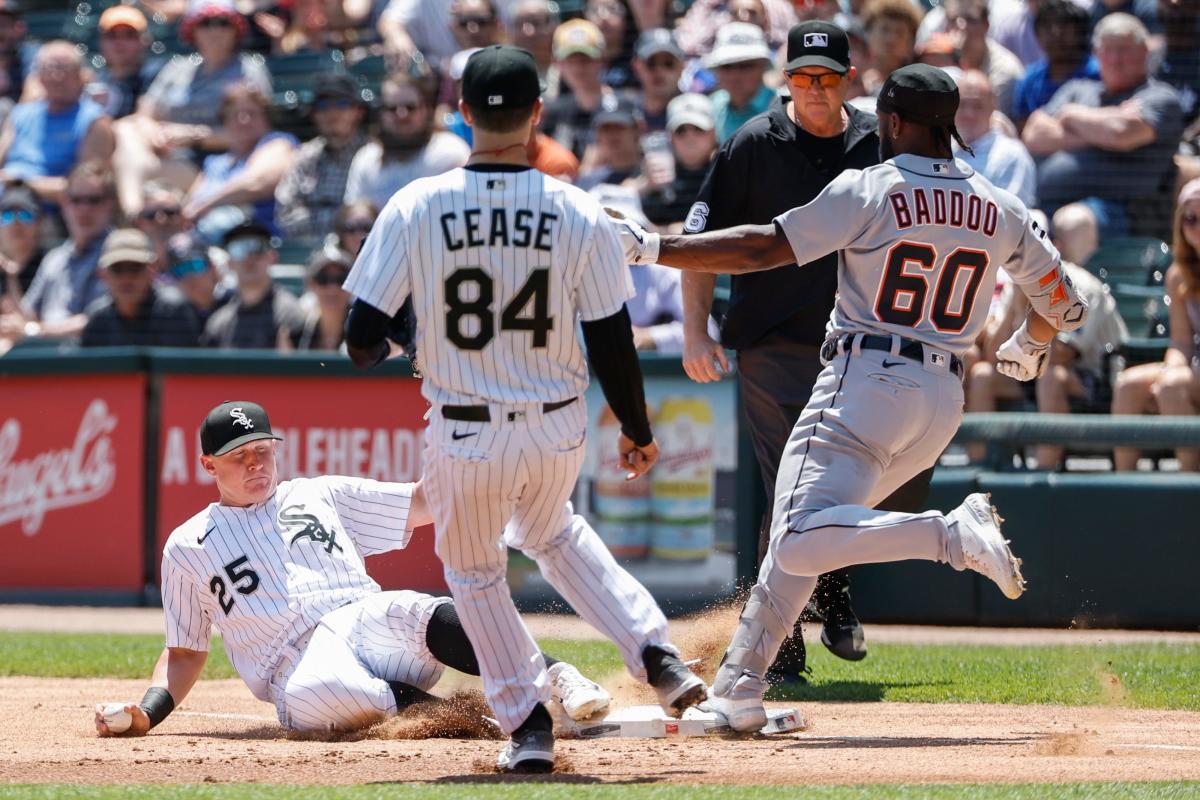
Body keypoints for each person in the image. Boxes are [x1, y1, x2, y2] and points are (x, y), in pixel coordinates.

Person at [611, 63, 1088, 731]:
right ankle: (740, 687)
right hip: (938, 401)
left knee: (803, 534)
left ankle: (950, 535)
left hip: (867, 380)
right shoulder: (998, 201)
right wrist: (1030, 343)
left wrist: (658, 246)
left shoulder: (873, 185)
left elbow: (762, 248)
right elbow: (1067, 305)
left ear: (892, 121)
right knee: (803, 536)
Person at [341, 45, 706, 772]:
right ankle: (657, 653)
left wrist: (415, 335)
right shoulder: (578, 209)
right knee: (553, 530)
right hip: (557, 422)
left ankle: (528, 725)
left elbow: (358, 340)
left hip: (466, 428)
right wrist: (636, 429)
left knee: (474, 573)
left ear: (464, 113)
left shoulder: (417, 203)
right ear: (537, 115)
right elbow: (612, 340)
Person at [94, 400, 612, 738]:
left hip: (364, 618)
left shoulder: (318, 493)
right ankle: (486, 720)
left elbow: (419, 503)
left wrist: (483, 466)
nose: (255, 463)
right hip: (292, 664)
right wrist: (149, 711)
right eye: (238, 456)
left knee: (413, 608)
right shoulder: (187, 545)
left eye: (262, 450)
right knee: (315, 699)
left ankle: (559, 679)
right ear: (208, 464)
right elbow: (185, 650)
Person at [681, 22, 919, 682]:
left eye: (828, 77)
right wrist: (695, 332)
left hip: (862, 344)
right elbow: (699, 244)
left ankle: (832, 595)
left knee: (844, 481)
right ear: (785, 80)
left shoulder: (878, 142)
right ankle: (786, 646)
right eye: (802, 77)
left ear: (850, 79)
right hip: (775, 344)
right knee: (791, 488)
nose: (815, 90)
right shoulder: (752, 144)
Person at [1022, 13, 1183, 239]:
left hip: (1122, 212)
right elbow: (1033, 134)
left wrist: (1070, 115)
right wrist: (1100, 130)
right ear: (1096, 54)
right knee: (1017, 220)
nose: (1115, 59)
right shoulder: (1077, 89)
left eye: (1124, 49)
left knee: (1072, 222)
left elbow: (1122, 133)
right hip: (1044, 202)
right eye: (1108, 50)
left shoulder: (1160, 97)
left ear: (1144, 52)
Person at [112, 0, 273, 217]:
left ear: (235, 29)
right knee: (125, 129)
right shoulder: (177, 68)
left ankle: (134, 215)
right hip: (169, 157)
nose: (214, 30)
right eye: (206, 23)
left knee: (132, 159)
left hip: (218, 167)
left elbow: (254, 130)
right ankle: (135, 212)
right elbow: (144, 114)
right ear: (193, 30)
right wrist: (153, 131)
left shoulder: (249, 69)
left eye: (222, 23)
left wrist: (193, 136)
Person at [1111, 178, 1200, 471]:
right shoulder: (1178, 274)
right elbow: (1182, 343)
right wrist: (1174, 368)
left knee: (1171, 387)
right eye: (1190, 218)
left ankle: (1189, 490)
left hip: (1193, 374)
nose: (1196, 225)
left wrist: (1174, 378)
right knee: (1128, 384)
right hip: (1194, 368)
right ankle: (1124, 491)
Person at [0, 161, 116, 344]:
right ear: (64, 203)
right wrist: (9, 276)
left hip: (92, 361)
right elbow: (28, 317)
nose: (84, 209)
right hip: (49, 360)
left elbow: (99, 320)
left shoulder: (118, 253)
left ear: (110, 204)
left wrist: (34, 331)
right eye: (76, 200)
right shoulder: (55, 258)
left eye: (94, 200)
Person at [0, 40, 115, 206]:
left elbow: (87, 189)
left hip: (46, 211)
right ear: (38, 76)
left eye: (64, 68)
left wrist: (24, 183)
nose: (56, 77)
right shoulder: (21, 114)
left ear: (81, 75)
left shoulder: (94, 122)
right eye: (49, 68)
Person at [343, 71, 470, 210]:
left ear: (427, 109)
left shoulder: (450, 152)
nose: (402, 114)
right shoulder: (366, 159)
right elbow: (355, 215)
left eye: (410, 107)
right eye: (392, 108)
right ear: (381, 113)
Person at [275, 74, 368, 240]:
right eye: (323, 105)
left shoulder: (371, 153)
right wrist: (340, 222)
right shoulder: (305, 155)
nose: (332, 112)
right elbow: (284, 214)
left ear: (358, 111)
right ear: (314, 114)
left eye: (342, 103)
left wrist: (318, 216)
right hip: (313, 253)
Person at [81, 228, 202, 347]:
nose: (126, 278)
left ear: (152, 269)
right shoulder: (97, 319)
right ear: (103, 274)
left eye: (135, 267)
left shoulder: (174, 311)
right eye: (117, 268)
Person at [200, 221, 303, 349]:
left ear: (272, 257)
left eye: (258, 248)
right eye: (238, 249)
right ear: (229, 262)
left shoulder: (289, 314)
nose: (249, 257)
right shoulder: (219, 323)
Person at [953, 70, 1037, 207]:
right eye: (962, 105)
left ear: (993, 107)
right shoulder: (939, 150)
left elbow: (1011, 216)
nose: (969, 114)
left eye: (977, 106)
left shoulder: (1011, 155)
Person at [1011, 0, 1098, 125]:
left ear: (1080, 33)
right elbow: (1021, 127)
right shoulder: (1030, 79)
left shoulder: (1097, 74)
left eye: (1065, 27)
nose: (1056, 34)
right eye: (1047, 27)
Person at [640, 93, 718, 230]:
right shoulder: (655, 173)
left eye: (698, 129)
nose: (690, 137)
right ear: (670, 136)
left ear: (713, 133)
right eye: (680, 130)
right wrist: (645, 186)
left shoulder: (725, 172)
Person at [943, 0, 1026, 118]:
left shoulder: (1005, 70)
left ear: (986, 25)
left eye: (970, 19)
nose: (961, 26)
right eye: (953, 20)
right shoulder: (939, 59)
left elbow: (983, 120)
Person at [704, 23, 775, 144]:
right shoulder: (711, 106)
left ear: (763, 66)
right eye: (727, 66)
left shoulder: (785, 106)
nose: (735, 76)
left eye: (745, 65)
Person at [89, 5, 162, 120]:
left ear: (145, 40)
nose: (120, 42)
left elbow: (144, 121)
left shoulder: (158, 77)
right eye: (112, 35)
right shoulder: (92, 80)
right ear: (101, 42)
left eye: (129, 35)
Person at [287, 245, 353, 351]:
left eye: (342, 280)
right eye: (323, 279)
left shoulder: (368, 330)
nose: (332, 289)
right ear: (310, 284)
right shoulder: (295, 330)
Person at [629, 28, 684, 135]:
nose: (660, 72)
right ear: (636, 67)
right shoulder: (626, 113)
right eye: (651, 63)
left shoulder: (696, 112)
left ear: (681, 66)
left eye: (668, 63)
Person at [135, 182, 189, 271]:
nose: (161, 220)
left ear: (184, 218)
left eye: (169, 212)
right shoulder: (128, 266)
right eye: (150, 214)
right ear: (138, 223)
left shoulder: (206, 259)